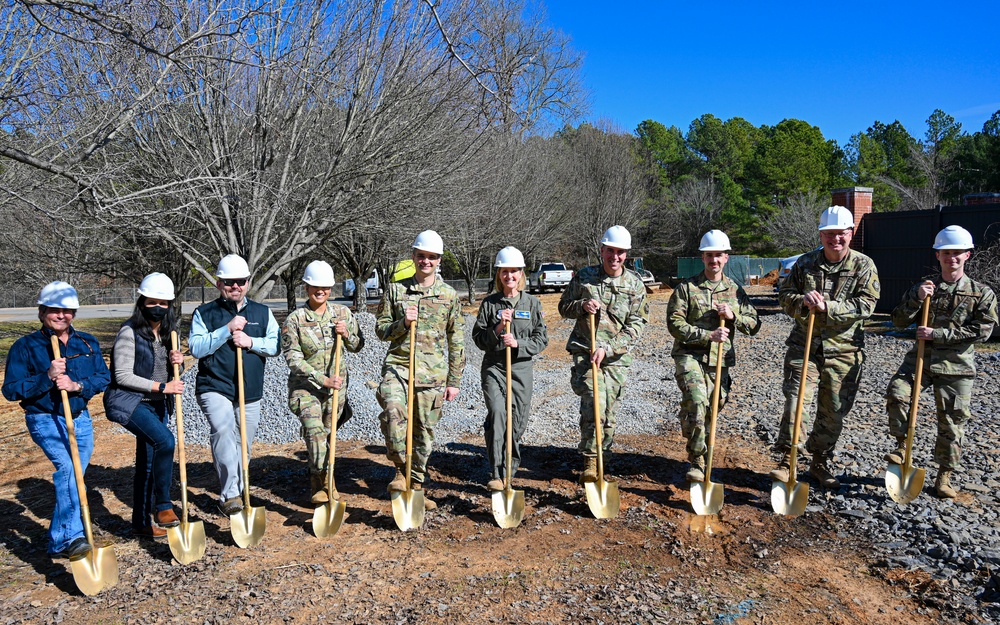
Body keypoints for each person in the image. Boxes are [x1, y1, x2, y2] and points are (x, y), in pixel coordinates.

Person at [771, 205, 880, 489]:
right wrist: (802, 303)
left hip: (843, 351)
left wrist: (828, 307)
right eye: (829, 234)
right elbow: (784, 295)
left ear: (850, 233)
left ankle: (819, 461)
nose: (835, 240)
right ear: (821, 235)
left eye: (841, 234)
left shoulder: (863, 265)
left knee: (833, 409)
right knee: (796, 402)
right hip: (804, 346)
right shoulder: (805, 264)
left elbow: (867, 305)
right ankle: (788, 460)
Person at [884, 225, 997, 498]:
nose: (952, 258)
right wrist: (916, 298)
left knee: (952, 422)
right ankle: (902, 446)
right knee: (898, 393)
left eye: (957, 253)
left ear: (967, 255)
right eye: (946, 253)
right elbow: (898, 320)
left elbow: (984, 330)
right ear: (938, 255)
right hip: (920, 360)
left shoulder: (980, 293)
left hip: (956, 366)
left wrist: (938, 334)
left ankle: (944, 475)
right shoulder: (926, 289)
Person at [2, 281, 110, 560]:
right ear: (42, 312)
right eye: (54, 310)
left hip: (80, 418)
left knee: (74, 476)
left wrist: (77, 386)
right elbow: (11, 390)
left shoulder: (87, 342)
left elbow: (103, 377)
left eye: (67, 311)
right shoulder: (25, 347)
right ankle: (68, 539)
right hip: (45, 418)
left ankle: (63, 537)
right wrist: (46, 376)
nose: (61, 316)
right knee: (70, 471)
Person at [375, 230, 465, 510]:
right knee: (392, 414)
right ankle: (400, 470)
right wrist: (402, 322)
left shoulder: (449, 296)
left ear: (439, 261)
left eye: (432, 257)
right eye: (421, 255)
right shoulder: (396, 289)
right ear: (413, 256)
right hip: (399, 367)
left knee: (424, 433)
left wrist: (454, 380)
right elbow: (381, 330)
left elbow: (457, 339)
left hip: (432, 375)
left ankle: (416, 487)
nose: (426, 261)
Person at [189, 254, 280, 515]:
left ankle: (237, 488)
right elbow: (196, 348)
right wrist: (226, 330)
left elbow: (274, 345)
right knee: (223, 430)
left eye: (240, 281)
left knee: (244, 443)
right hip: (214, 385)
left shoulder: (262, 313)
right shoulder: (204, 313)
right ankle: (230, 495)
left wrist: (251, 342)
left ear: (248, 282)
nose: (235, 286)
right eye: (229, 282)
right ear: (218, 284)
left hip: (250, 390)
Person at [667, 230, 760, 483]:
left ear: (726, 258)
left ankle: (695, 431)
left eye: (718, 255)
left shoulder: (736, 290)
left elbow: (754, 324)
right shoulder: (686, 289)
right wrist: (707, 335)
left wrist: (733, 317)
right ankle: (697, 460)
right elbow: (675, 325)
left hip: (720, 359)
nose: (714, 260)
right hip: (690, 356)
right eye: (709, 255)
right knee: (697, 402)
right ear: (702, 257)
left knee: (712, 409)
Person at [558, 225, 649, 482]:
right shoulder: (585, 276)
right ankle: (590, 460)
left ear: (627, 255)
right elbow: (564, 307)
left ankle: (602, 455)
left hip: (615, 358)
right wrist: (581, 305)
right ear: (602, 250)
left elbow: (638, 324)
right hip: (585, 352)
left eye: (620, 252)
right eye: (610, 251)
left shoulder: (634, 284)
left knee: (609, 411)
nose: (615, 257)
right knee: (593, 403)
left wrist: (608, 348)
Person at [102, 273, 185, 539]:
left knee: (148, 464)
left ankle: (139, 521)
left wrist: (178, 361)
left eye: (164, 303)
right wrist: (162, 387)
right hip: (133, 403)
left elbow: (171, 372)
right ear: (142, 302)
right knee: (166, 442)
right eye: (152, 302)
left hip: (159, 404)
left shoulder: (169, 333)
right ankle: (163, 506)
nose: (158, 307)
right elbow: (123, 376)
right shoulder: (129, 332)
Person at [282, 260, 365, 504]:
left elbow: (359, 346)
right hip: (305, 389)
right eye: (316, 286)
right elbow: (293, 359)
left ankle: (325, 477)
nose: (321, 291)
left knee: (328, 436)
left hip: (337, 389)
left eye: (326, 287)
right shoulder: (294, 320)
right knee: (316, 432)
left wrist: (347, 334)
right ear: (306, 287)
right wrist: (322, 379)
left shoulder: (342, 314)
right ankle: (319, 482)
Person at [472, 246, 549, 492]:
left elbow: (542, 338)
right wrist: (497, 328)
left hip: (521, 369)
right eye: (504, 272)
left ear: (521, 273)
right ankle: (496, 473)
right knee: (497, 413)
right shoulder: (490, 303)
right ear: (499, 274)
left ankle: (509, 471)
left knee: (517, 421)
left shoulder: (532, 303)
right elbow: (478, 338)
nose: (509, 277)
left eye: (514, 271)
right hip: (495, 367)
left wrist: (519, 344)